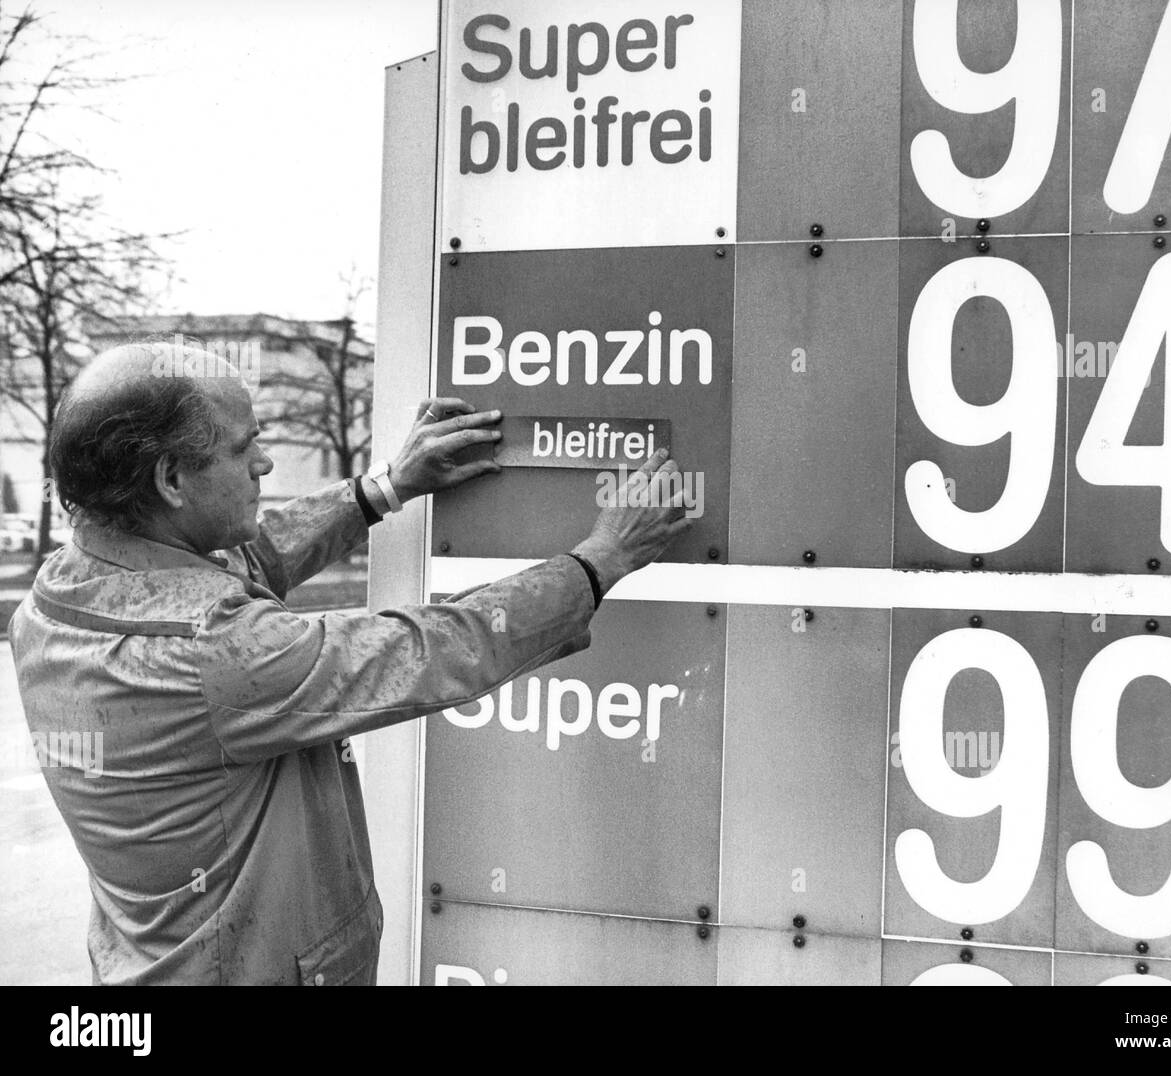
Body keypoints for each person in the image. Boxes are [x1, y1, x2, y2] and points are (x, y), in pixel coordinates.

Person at [8, 341, 690, 985]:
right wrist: (600, 561)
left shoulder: (57, 595)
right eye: (245, 448)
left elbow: (242, 563)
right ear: (171, 478)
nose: (265, 465)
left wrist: (384, 488)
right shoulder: (212, 651)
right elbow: (430, 648)